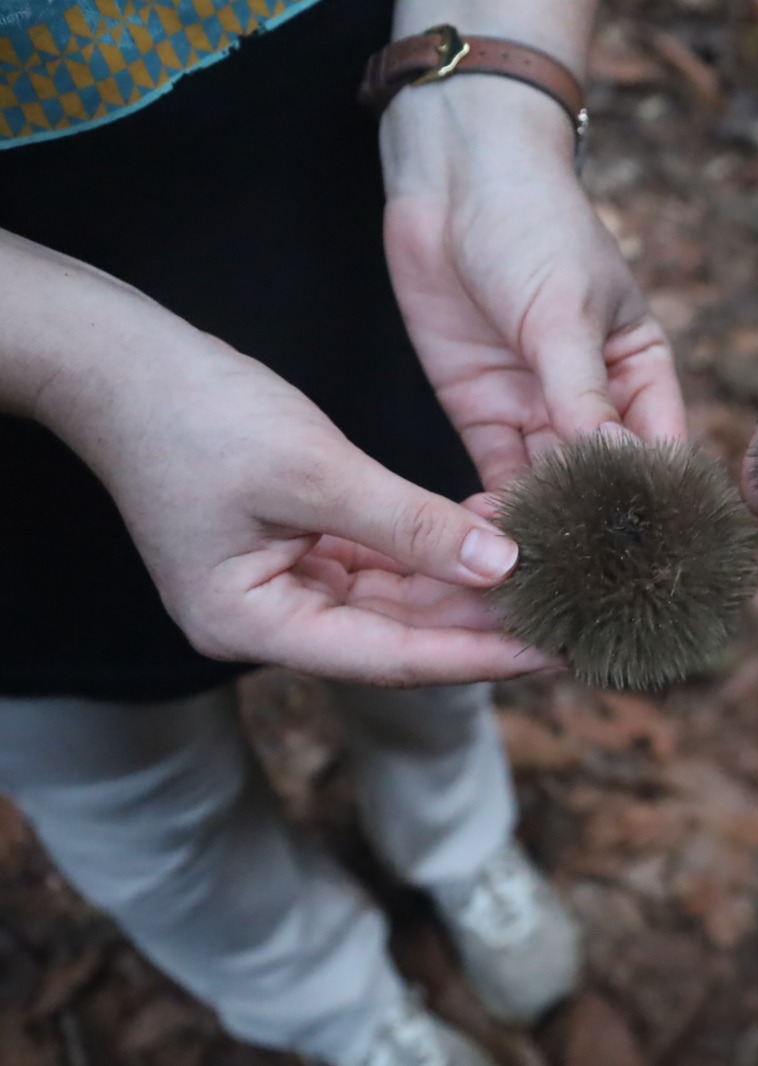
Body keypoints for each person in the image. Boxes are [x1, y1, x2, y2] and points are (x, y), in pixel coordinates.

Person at [0, 2, 683, 1064]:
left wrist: (492, 94)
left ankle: (456, 847)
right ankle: (333, 1007)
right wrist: (73, 363)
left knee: (436, 641)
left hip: (353, 218)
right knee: (129, 784)